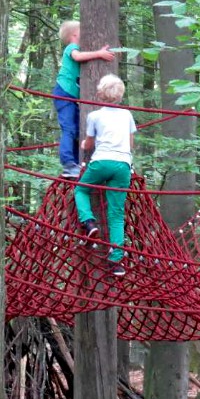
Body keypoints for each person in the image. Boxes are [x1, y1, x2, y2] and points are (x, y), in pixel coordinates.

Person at [74, 74, 136, 277]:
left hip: (101, 162)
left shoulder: (94, 116)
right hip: (123, 165)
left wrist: (83, 144)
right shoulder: (126, 115)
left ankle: (89, 222)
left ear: (100, 94)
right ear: (120, 95)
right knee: (116, 215)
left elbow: (89, 144)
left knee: (81, 190)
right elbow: (131, 142)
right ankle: (116, 261)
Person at [53, 20, 114, 177]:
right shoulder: (72, 48)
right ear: (74, 34)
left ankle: (76, 163)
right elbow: (78, 57)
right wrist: (99, 53)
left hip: (71, 96)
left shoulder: (77, 48)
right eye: (82, 30)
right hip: (64, 93)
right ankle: (68, 164)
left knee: (76, 129)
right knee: (69, 128)